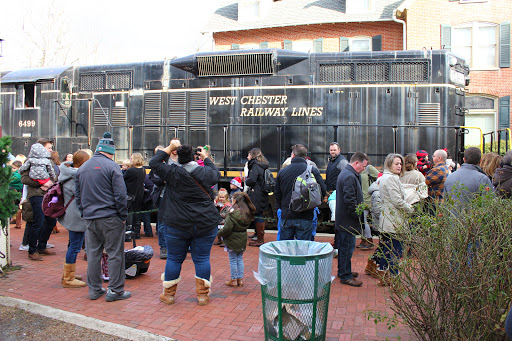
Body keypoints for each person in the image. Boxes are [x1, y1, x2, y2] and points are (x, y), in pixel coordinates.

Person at [149, 144, 220, 306]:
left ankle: (168, 295)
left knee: (174, 259)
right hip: (205, 222)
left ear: (178, 157)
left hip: (177, 224)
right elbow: (216, 174)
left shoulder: (172, 172)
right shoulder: (204, 172)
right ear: (194, 157)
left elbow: (153, 163)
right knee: (202, 259)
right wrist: (206, 157)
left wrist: (169, 147)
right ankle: (202, 296)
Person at [76, 132, 130, 302]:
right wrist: (122, 215)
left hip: (90, 218)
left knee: (93, 254)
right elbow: (121, 195)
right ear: (111, 151)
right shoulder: (113, 167)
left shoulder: (82, 168)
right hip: (110, 217)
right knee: (115, 254)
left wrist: (85, 213)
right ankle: (115, 290)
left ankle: (94, 290)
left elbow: (78, 196)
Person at [275, 144, 326, 241]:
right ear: (305, 156)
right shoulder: (313, 171)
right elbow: (323, 190)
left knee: (285, 248)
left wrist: (283, 207)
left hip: (287, 215)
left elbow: (277, 194)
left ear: (293, 155)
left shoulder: (282, 172)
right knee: (303, 249)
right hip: (306, 216)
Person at [377, 154, 413, 286]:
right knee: (396, 250)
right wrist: (410, 208)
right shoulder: (391, 179)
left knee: (386, 249)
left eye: (400, 164)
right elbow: (397, 200)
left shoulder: (385, 177)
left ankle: (384, 275)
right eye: (396, 163)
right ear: (389, 164)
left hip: (388, 219)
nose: (399, 166)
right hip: (393, 220)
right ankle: (394, 278)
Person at [20, 139, 58, 261]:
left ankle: (42, 245)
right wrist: (40, 184)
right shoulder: (30, 161)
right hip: (36, 195)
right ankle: (32, 250)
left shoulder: (49, 161)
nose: (51, 150)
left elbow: (54, 176)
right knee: (38, 221)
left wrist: (51, 184)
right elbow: (24, 179)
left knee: (51, 221)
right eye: (49, 147)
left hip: (48, 195)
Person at [58, 150, 90, 288]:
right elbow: (81, 197)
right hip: (76, 215)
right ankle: (68, 278)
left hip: (71, 213)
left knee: (73, 244)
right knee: (75, 246)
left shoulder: (67, 172)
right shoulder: (76, 176)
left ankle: (68, 273)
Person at [335, 152, 368, 287]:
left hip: (345, 220)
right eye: (363, 166)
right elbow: (350, 200)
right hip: (347, 221)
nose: (364, 169)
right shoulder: (349, 176)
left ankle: (343, 271)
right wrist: (357, 215)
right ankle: (345, 276)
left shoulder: (347, 173)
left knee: (345, 247)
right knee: (347, 248)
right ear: (356, 163)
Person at [218, 191, 256, 287]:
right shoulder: (247, 212)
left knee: (233, 260)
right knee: (239, 259)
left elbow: (227, 228)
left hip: (232, 239)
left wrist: (219, 233)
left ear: (235, 200)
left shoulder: (232, 213)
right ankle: (240, 279)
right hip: (242, 237)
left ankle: (233, 279)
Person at [245, 148, 270, 247]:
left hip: (256, 194)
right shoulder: (262, 164)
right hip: (261, 193)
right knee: (258, 214)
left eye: (249, 155)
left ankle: (260, 239)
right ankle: (258, 235)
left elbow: (252, 180)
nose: (247, 157)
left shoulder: (255, 165)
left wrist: (246, 180)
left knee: (258, 215)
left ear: (252, 155)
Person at [124, 153, 146, 239]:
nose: (130, 159)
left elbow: (123, 179)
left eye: (131, 158)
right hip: (139, 193)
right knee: (137, 212)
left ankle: (129, 232)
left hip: (130, 193)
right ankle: (137, 232)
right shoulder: (143, 170)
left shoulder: (130, 170)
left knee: (129, 213)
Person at [358, 162, 379, 250]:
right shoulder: (359, 170)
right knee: (361, 220)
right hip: (361, 199)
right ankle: (364, 240)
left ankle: (369, 240)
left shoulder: (369, 168)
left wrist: (373, 188)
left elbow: (379, 177)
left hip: (368, 199)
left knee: (364, 220)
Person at [9, 160, 23, 229]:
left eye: (14, 168)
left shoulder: (17, 175)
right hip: (17, 191)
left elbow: (12, 180)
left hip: (16, 191)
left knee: (16, 205)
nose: (12, 169)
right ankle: (17, 221)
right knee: (16, 206)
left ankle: (17, 221)